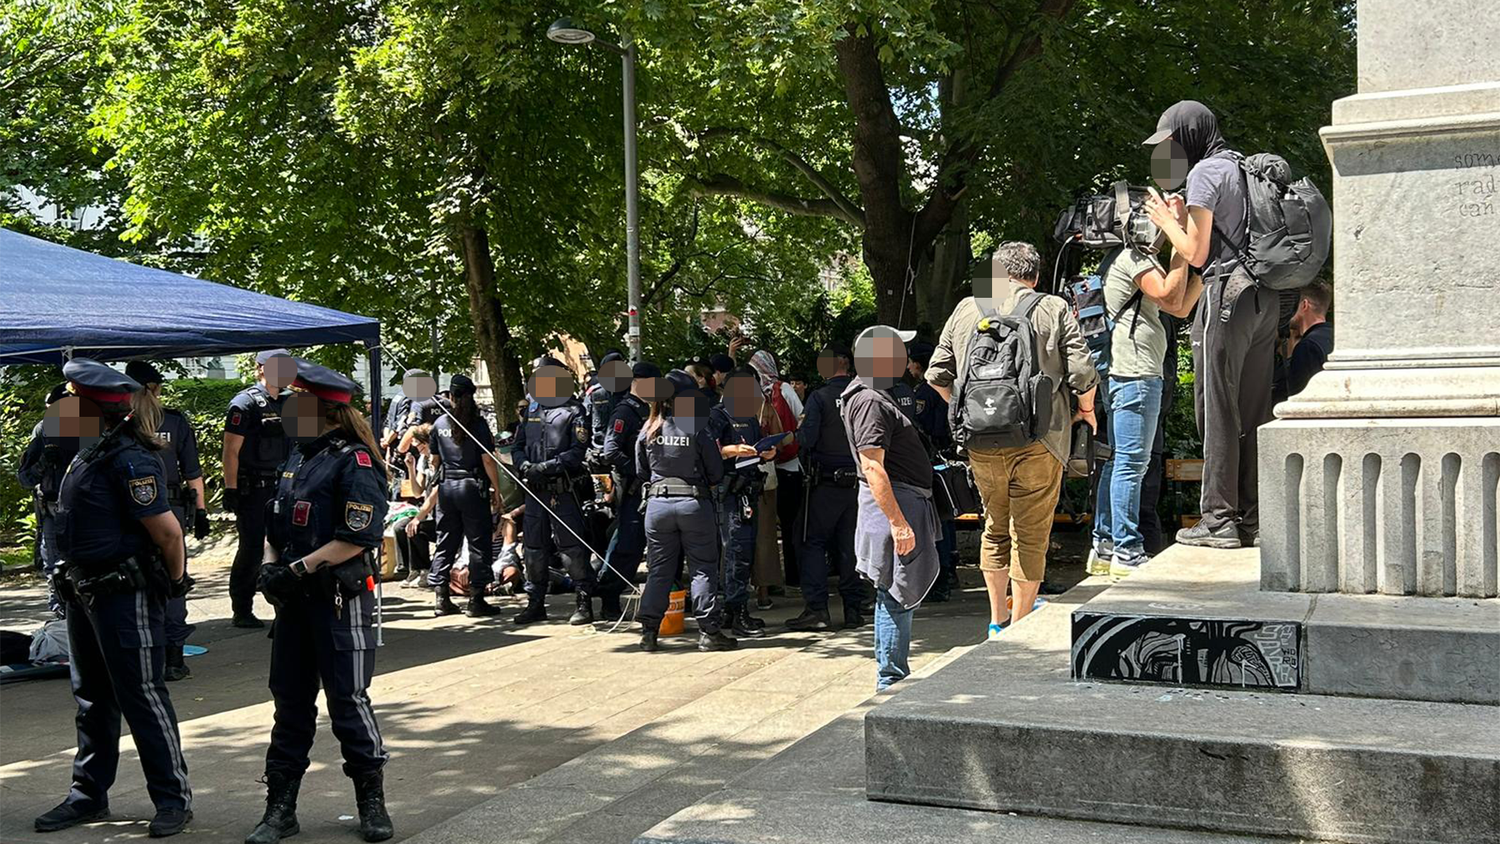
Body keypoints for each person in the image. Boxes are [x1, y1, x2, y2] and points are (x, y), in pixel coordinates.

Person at [36, 358, 192, 838]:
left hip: (124, 595)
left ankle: (172, 801)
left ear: (96, 409)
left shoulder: (131, 458)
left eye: (72, 401)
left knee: (142, 697)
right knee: (92, 701)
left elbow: (168, 534)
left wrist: (172, 585)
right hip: (85, 593)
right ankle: (87, 796)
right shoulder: (87, 452)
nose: (63, 408)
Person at [250, 361, 391, 844]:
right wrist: (272, 565)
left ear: (325, 412)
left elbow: (357, 537)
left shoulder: (355, 462)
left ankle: (371, 803)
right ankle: (279, 809)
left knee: (347, 702)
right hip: (294, 604)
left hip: (336, 600)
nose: (288, 413)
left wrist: (297, 569)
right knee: (290, 705)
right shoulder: (297, 458)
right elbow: (275, 528)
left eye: (297, 406)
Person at [927, 242, 1098, 638]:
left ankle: (995, 621)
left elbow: (937, 374)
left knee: (994, 527)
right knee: (1032, 533)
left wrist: (965, 411)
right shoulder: (1051, 307)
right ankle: (1020, 625)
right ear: (1034, 277)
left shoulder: (967, 309)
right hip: (1042, 439)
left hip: (981, 443)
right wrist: (1086, 411)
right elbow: (1082, 372)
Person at [1144, 100, 1276, 550]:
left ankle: (1218, 519)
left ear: (1187, 137)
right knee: (1254, 409)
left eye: (1170, 143)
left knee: (1216, 408)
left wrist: (1168, 222)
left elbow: (1197, 254)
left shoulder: (1204, 173)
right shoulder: (1244, 168)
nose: (1169, 154)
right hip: (1264, 297)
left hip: (1226, 297)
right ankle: (1254, 518)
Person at [1088, 239, 1201, 577]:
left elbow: (1178, 307)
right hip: (1136, 372)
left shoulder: (1118, 258)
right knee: (1132, 463)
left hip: (1124, 372)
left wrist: (1203, 276)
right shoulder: (1134, 256)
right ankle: (1127, 549)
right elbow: (1168, 294)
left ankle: (1105, 546)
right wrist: (1184, 249)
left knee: (1119, 460)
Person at [843, 328, 942, 691]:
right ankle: (891, 680)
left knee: (896, 592)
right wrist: (899, 523)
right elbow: (873, 467)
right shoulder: (869, 399)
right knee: (894, 592)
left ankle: (893, 675)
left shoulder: (874, 393)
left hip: (902, 501)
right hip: (894, 507)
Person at [635, 370, 733, 653]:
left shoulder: (649, 427)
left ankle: (649, 632)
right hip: (693, 503)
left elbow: (641, 471)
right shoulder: (697, 427)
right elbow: (715, 472)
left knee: (659, 571)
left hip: (657, 506)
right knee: (702, 568)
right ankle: (709, 632)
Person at [126, 361, 211, 681]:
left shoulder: (118, 422)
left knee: (134, 580)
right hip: (170, 512)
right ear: (156, 388)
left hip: (130, 514)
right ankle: (174, 655)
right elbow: (193, 471)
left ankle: (144, 653)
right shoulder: (174, 421)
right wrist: (201, 511)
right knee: (174, 577)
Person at [789, 344, 866, 631]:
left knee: (811, 542)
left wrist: (799, 431)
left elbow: (806, 441)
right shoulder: (862, 394)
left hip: (826, 482)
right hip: (858, 483)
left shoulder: (819, 398)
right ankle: (854, 609)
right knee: (850, 545)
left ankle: (817, 609)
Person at [513, 357, 595, 626]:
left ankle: (583, 601)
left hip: (562, 489)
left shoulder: (575, 411)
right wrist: (524, 464)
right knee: (533, 549)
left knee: (571, 548)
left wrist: (546, 467)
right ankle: (535, 602)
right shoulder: (532, 410)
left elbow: (577, 452)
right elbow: (517, 444)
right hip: (535, 492)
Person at [223, 349, 296, 628]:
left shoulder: (292, 401)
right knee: (252, 548)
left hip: (284, 485)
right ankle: (242, 608)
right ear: (261, 368)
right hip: (254, 488)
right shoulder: (245, 403)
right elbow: (231, 450)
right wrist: (231, 488)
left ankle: (284, 606)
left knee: (286, 546)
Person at [425, 374, 502, 618]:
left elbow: (434, 460)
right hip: (472, 486)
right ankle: (476, 599)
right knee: (478, 543)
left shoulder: (440, 425)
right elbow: (488, 459)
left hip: (447, 488)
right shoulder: (478, 424)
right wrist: (497, 489)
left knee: (446, 541)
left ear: (451, 396)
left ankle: (441, 597)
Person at [714, 367, 777, 636]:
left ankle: (733, 609)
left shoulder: (749, 417)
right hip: (729, 493)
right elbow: (709, 451)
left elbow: (755, 447)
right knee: (736, 552)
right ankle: (737, 610)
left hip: (750, 490)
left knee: (746, 552)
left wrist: (766, 453)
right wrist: (731, 451)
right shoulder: (718, 416)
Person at [595, 361, 659, 618]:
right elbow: (611, 450)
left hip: (647, 487)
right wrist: (639, 469)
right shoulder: (624, 411)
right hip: (633, 489)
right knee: (628, 545)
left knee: (644, 543)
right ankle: (609, 594)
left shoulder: (647, 408)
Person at [17, 383, 77, 617]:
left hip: (86, 511)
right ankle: (60, 619)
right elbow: (25, 478)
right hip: (53, 511)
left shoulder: (94, 428)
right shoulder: (43, 431)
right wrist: (42, 463)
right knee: (55, 571)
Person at [905, 341, 958, 601]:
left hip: (930, 457)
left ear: (918, 364)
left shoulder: (924, 392)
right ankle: (951, 569)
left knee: (938, 518)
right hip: (947, 454)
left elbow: (920, 424)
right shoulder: (949, 387)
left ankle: (941, 576)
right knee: (947, 515)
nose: (908, 367)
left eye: (911, 362)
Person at [749, 350, 805, 587]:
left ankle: (780, 579)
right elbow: (803, 417)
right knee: (780, 526)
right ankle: (783, 577)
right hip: (778, 467)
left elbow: (803, 416)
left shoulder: (773, 390)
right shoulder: (771, 391)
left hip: (778, 468)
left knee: (778, 525)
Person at [1285, 280, 1334, 398]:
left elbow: (1299, 399)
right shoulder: (1338, 338)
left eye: (1292, 304)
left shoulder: (1307, 348)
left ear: (1304, 305)